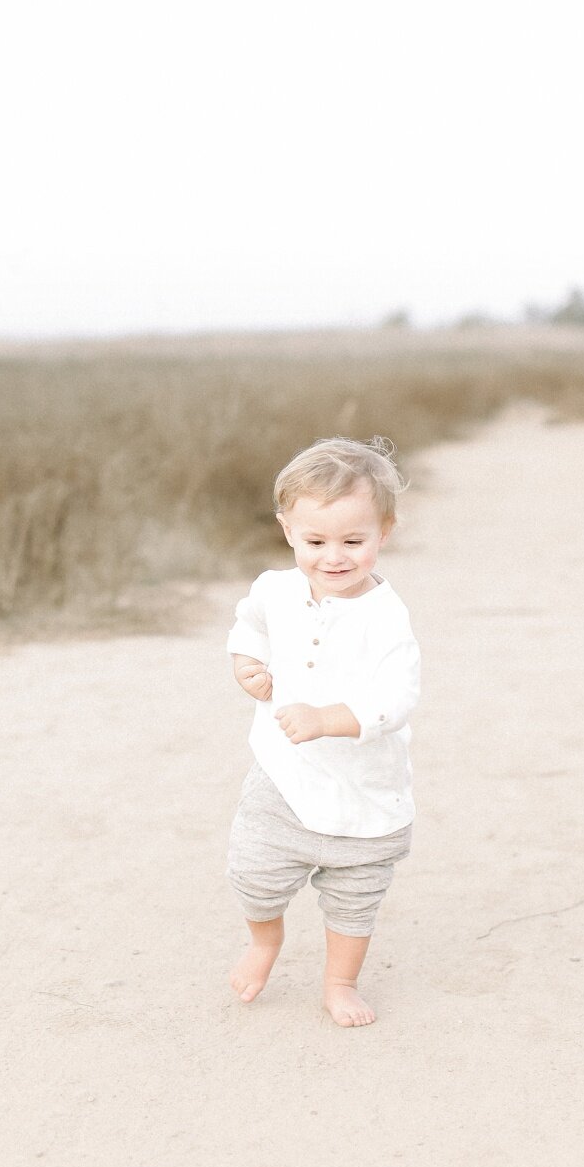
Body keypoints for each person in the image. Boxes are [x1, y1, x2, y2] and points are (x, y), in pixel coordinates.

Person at [227, 439, 419, 1027]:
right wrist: (247, 668)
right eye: (315, 541)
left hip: (364, 791)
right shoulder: (274, 589)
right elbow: (249, 629)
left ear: (384, 531)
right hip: (285, 774)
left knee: (354, 899)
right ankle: (265, 942)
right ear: (288, 530)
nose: (333, 557)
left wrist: (326, 718)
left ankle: (340, 983)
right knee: (254, 871)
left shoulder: (386, 618)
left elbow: (397, 700)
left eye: (352, 541)